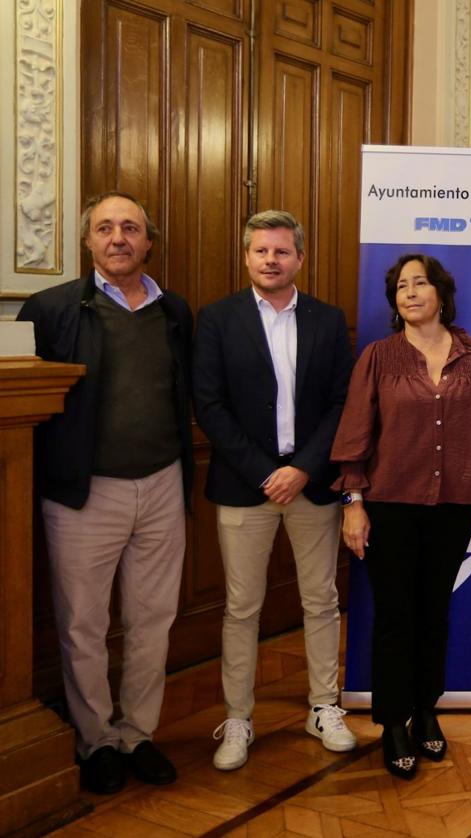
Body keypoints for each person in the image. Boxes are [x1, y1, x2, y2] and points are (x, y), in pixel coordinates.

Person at [17, 191, 193, 794]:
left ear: (149, 241)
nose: (118, 238)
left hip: (163, 484)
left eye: (131, 228)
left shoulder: (175, 311)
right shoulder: (50, 309)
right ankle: (96, 742)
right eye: (105, 228)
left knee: (153, 620)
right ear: (87, 241)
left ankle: (138, 733)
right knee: (83, 625)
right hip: (83, 495)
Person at [330, 253, 471, 780]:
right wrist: (354, 504)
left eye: (420, 283)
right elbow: (353, 438)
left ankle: (426, 711)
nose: (410, 293)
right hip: (388, 507)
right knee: (394, 618)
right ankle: (392, 722)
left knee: (434, 615)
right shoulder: (379, 357)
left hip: (453, 507)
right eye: (401, 287)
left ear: (440, 293)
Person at [193, 210, 357, 771]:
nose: (271, 260)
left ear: (299, 259)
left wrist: (304, 468)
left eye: (281, 251)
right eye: (261, 251)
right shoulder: (216, 320)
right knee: (242, 608)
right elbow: (208, 406)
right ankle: (238, 718)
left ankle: (323, 707)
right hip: (246, 485)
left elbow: (343, 403)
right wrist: (267, 471)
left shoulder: (328, 321)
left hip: (311, 485)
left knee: (322, 601)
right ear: (246, 257)